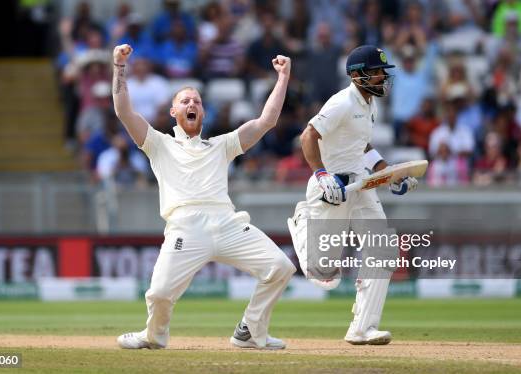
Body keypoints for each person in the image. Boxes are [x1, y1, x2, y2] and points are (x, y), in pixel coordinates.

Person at [111, 44, 295, 350]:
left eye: (196, 100)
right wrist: (118, 67)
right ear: (173, 112)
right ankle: (154, 336)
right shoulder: (158, 143)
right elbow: (123, 111)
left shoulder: (221, 144)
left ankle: (249, 331)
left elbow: (266, 121)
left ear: (203, 112)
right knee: (158, 294)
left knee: (280, 266)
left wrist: (283, 77)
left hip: (227, 224)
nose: (191, 103)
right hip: (185, 227)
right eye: (184, 101)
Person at [288, 45, 418, 346]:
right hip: (331, 188)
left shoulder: (370, 103)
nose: (383, 78)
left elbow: (362, 146)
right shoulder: (342, 102)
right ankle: (301, 221)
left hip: (360, 183)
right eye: (377, 73)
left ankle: (362, 328)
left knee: (383, 249)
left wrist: (390, 175)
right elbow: (308, 135)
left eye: (384, 73)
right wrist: (321, 175)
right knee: (323, 272)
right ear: (358, 75)